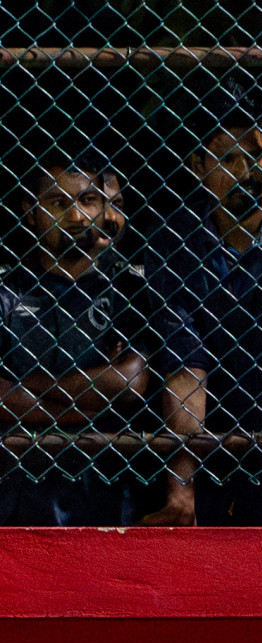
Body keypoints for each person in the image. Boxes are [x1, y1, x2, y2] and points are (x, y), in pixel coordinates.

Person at [140, 90, 262, 526]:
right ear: (198, 167)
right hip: (204, 444)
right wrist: (181, 495)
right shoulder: (174, 240)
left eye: (254, 155)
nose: (245, 171)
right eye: (227, 158)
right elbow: (185, 364)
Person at [0, 144, 147, 525]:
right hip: (18, 490)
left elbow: (131, 381)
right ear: (29, 211)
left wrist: (25, 392)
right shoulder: (7, 289)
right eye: (57, 202)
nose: (76, 215)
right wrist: (83, 405)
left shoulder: (127, 286)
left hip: (106, 489)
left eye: (87, 200)